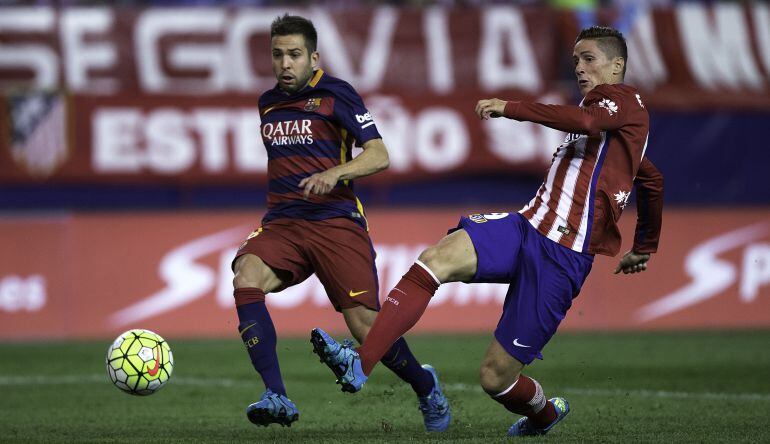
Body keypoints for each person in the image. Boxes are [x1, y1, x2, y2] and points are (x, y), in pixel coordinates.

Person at [311, 26, 663, 437]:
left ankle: (545, 414)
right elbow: (651, 180)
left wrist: (509, 106)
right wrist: (645, 245)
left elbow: (590, 123)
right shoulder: (609, 126)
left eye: (589, 59)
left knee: (496, 379)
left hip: (562, 257)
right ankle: (362, 360)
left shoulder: (623, 102)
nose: (580, 69)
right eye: (575, 62)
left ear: (617, 65)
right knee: (434, 259)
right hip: (525, 226)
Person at [231, 14, 451, 430]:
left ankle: (426, 387)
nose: (285, 63)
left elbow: (379, 154)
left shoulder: (337, 94)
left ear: (313, 57)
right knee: (246, 276)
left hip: (336, 220)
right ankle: (276, 395)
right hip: (284, 222)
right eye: (277, 55)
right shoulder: (268, 103)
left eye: (294, 54)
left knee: (367, 328)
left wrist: (335, 173)